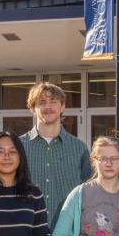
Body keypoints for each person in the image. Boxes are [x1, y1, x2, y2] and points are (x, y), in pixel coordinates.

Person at [20, 82, 91, 228]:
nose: (48, 107)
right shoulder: (18, 147)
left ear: (62, 106)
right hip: (26, 231)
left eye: (54, 102)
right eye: (42, 102)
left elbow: (89, 193)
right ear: (32, 109)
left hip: (68, 233)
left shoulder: (79, 148)